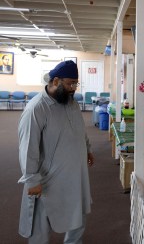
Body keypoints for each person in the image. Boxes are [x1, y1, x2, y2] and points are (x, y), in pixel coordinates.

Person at [18, 60, 94, 243]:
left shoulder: (71, 102)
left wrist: (87, 149)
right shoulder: (37, 108)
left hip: (76, 175)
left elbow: (79, 130)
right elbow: (28, 147)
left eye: (75, 83)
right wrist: (32, 179)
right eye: (70, 83)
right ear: (55, 81)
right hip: (48, 179)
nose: (73, 88)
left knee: (78, 212)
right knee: (40, 223)